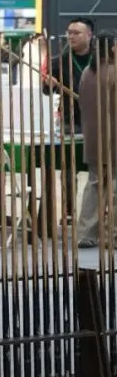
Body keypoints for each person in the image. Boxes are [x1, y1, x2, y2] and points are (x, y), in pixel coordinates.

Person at [43, 17, 93, 243]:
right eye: (69, 33)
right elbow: (46, 91)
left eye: (76, 33)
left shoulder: (102, 58)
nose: (71, 37)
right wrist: (49, 84)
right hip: (70, 120)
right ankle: (69, 211)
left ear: (89, 35)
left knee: (99, 170)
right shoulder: (59, 60)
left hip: (99, 120)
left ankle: (101, 216)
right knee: (68, 167)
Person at [78, 33, 116, 248]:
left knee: (94, 186)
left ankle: (86, 234)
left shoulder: (87, 72)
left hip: (93, 138)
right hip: (114, 138)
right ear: (112, 48)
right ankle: (113, 235)